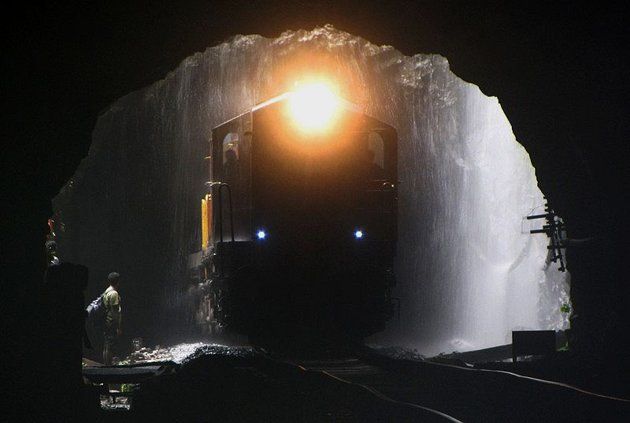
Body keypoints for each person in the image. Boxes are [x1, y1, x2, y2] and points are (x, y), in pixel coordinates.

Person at [102, 272, 122, 365]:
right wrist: (118, 327)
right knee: (110, 345)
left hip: (106, 321)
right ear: (118, 282)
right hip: (111, 322)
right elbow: (115, 312)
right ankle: (108, 366)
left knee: (106, 345)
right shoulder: (113, 293)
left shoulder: (107, 291)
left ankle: (106, 365)